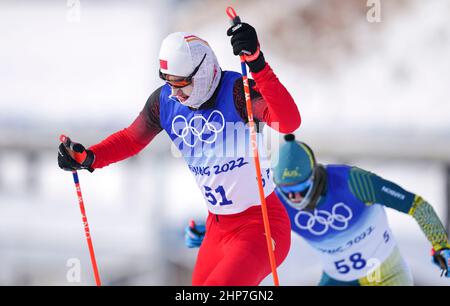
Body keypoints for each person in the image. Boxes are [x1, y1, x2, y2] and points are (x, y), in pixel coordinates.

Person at [58, 22, 301, 285]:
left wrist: (257, 63)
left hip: (260, 227)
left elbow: (288, 121)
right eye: (169, 83)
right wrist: (89, 157)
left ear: (204, 71)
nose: (176, 93)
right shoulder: (165, 102)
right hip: (217, 229)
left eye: (182, 84)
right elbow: (132, 138)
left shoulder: (238, 93)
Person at [185, 134, 450, 286]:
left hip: (386, 276)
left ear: (315, 174)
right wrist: (209, 233)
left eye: (301, 188)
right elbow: (246, 227)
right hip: (337, 280)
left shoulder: (354, 182)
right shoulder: (281, 204)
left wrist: (441, 244)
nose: (295, 198)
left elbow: (417, 205)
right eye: (288, 192)